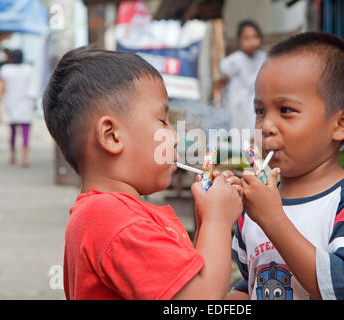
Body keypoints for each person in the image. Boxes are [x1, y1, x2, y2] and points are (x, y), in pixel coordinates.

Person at [42, 46, 244, 300]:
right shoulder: (114, 220)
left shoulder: (115, 214)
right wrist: (218, 219)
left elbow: (184, 285)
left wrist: (206, 220)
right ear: (112, 136)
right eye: (162, 121)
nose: (174, 137)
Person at [228, 32, 344, 300]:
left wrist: (273, 219)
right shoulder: (254, 207)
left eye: (286, 110)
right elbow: (250, 282)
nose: (267, 126)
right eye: (260, 111)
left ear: (341, 123)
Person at [217, 20, 266, 135]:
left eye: (255, 37)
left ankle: (252, 153)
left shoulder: (262, 57)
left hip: (255, 102)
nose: (252, 42)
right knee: (239, 133)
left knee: (255, 131)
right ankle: (241, 152)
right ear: (239, 40)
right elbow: (222, 80)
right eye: (247, 38)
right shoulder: (235, 60)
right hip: (238, 104)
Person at [0, 49, 35, 167]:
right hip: (26, 103)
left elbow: (2, 88)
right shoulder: (29, 69)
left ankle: (12, 156)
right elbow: (33, 87)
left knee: (12, 132)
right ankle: (24, 159)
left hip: (11, 103)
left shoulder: (5, 69)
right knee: (25, 133)